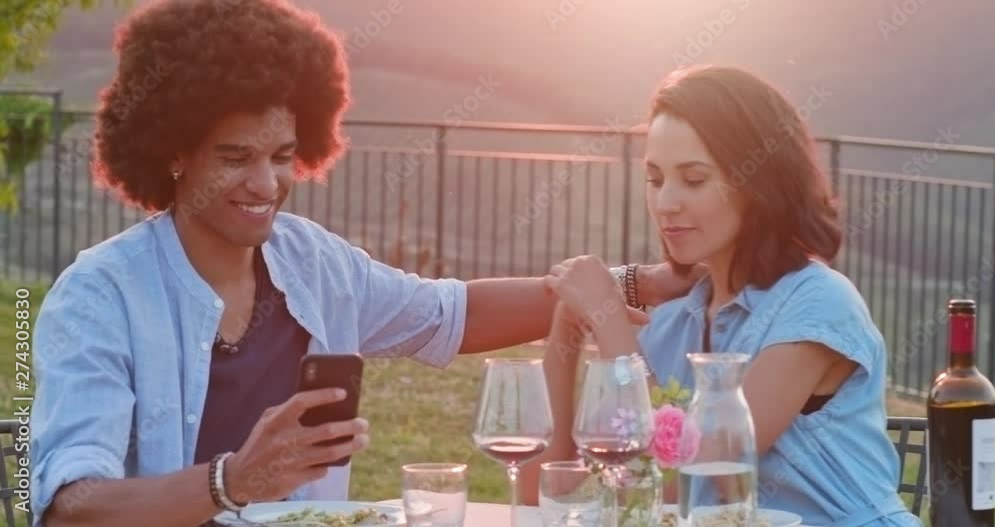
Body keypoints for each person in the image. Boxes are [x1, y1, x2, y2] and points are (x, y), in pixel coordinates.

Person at [26, 2, 695, 526]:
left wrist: (636, 282)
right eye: (235, 158)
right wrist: (232, 480)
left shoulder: (311, 261)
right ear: (174, 153)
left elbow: (451, 313)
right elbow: (70, 506)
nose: (265, 183)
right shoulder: (100, 296)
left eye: (282, 156)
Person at [524, 65, 923, 526]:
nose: (666, 203)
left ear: (760, 185)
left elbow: (696, 471)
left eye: (694, 179)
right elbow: (548, 492)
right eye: (655, 179)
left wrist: (609, 318)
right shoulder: (674, 322)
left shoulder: (818, 304)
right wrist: (566, 326)